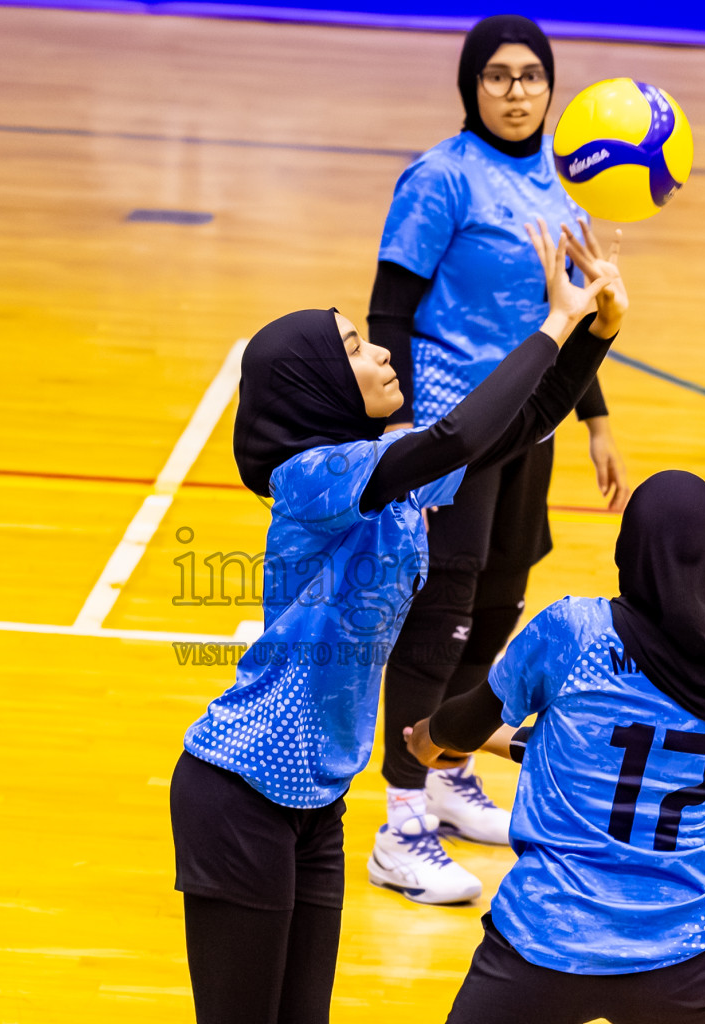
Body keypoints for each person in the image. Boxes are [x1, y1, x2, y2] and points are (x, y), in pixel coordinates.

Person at [171, 220, 627, 1024]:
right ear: (317, 384)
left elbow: (515, 427)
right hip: (240, 792)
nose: (383, 353)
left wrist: (596, 332)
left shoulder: (389, 470)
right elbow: (460, 432)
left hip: (315, 802)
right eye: (355, 347)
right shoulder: (312, 477)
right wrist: (553, 323)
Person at [367, 13, 633, 903]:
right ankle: (399, 824)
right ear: (471, 85)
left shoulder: (565, 176)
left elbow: (561, 308)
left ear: (552, 87)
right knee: (440, 615)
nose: (517, 92)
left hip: (532, 423)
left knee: (497, 606)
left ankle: (445, 770)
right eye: (498, 76)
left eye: (531, 76)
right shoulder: (440, 177)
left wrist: (595, 418)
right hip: (455, 424)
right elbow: (390, 308)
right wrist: (402, 429)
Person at [405, 470, 705, 1024]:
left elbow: (465, 725)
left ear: (629, 549)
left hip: (547, 939)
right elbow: (624, 759)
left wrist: (428, 739)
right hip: (688, 951)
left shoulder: (576, 632)